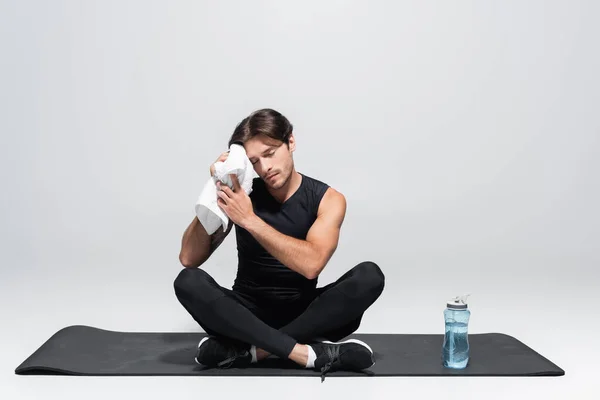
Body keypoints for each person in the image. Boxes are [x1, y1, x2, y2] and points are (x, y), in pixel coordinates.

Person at [174, 108, 385, 381]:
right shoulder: (244, 193)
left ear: (291, 143)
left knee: (369, 276)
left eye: (270, 153)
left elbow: (311, 265)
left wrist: (249, 220)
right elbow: (189, 258)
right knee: (188, 281)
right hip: (244, 313)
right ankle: (305, 354)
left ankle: (253, 352)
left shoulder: (328, 199)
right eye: (254, 161)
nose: (265, 167)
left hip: (306, 313)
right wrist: (217, 188)